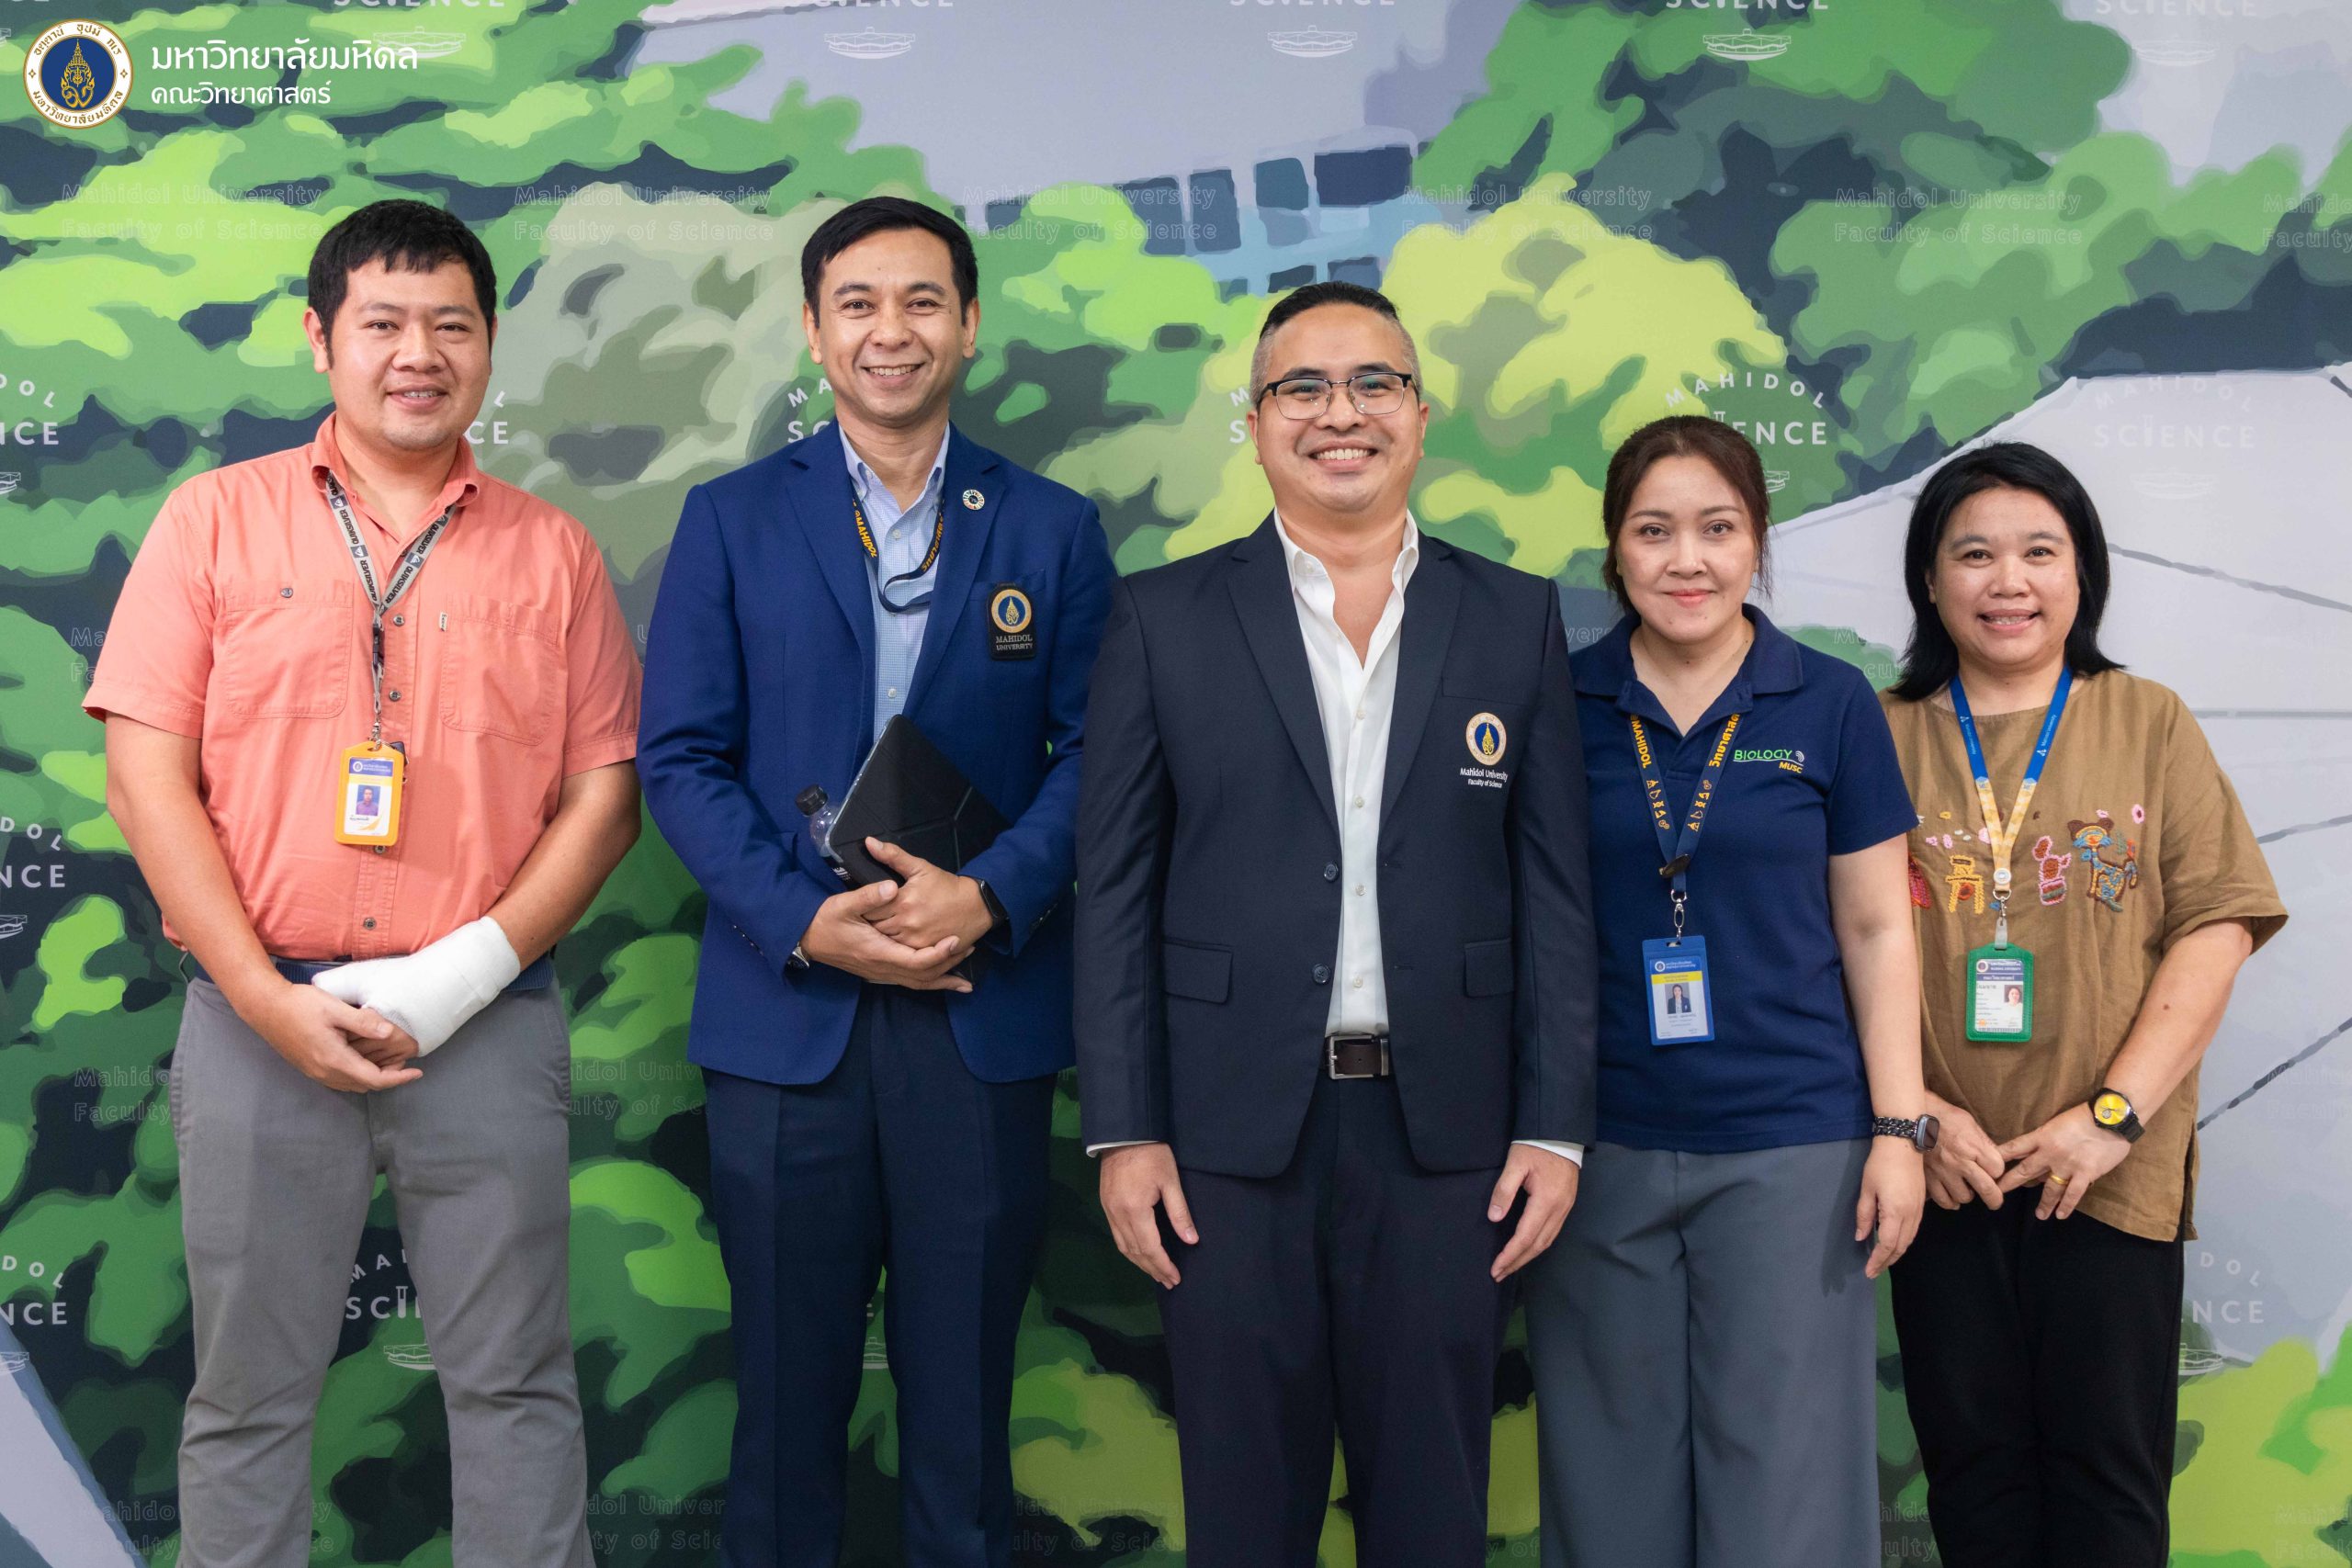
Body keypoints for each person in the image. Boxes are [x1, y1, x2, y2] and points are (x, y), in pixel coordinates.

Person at [88, 199, 642, 1567]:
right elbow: (145, 778)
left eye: (452, 325)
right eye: (383, 323)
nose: (418, 354)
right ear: (320, 337)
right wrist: (261, 996)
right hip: (255, 1016)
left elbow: (604, 797)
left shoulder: (555, 552)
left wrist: (462, 976)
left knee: (516, 1387)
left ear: (489, 345)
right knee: (247, 1395)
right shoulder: (212, 522)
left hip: (487, 1025)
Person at [1075, 280, 1597, 1568]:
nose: (1340, 413)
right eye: (1301, 387)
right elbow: (1114, 893)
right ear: (1254, 420)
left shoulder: (1514, 614)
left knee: (1432, 1514)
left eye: (1374, 383)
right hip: (1224, 1145)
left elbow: (1555, 893)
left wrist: (1553, 1123)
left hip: (1450, 1145)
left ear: (1420, 412)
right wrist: (1126, 1128)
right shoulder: (1160, 616)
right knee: (1246, 1517)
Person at [636, 196, 1114, 1568]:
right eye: (857, 303)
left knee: (964, 1415)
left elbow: (1100, 756)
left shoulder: (1051, 528)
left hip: (979, 1018)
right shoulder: (732, 520)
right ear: (813, 328)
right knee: (785, 1415)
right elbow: (679, 758)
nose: (889, 331)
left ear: (968, 325)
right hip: (789, 1026)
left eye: (921, 301)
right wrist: (805, 921)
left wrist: (992, 893)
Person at [1524, 414, 1929, 1568]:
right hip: (1597, 1144)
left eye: (1717, 528)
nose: (1686, 560)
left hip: (1793, 1146)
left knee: (1785, 1489)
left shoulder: (1829, 701)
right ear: (1615, 550)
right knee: (1608, 1487)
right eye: (1653, 532)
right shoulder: (1557, 702)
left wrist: (1898, 1129)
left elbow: (1876, 928)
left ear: (1757, 542)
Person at [1880, 441, 2286, 1567]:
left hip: (2106, 1172)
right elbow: (1827, 947)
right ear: (1929, 579)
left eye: (2038, 552)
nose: (2007, 581)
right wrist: (1915, 1114)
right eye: (1974, 554)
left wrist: (2111, 1118)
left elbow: (2217, 925)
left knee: (2108, 1488)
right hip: (1943, 1169)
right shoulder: (1876, 731)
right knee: (1973, 1482)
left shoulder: (2146, 720)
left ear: (2081, 573)